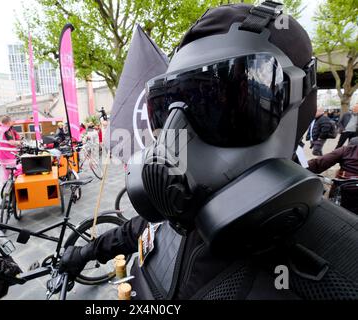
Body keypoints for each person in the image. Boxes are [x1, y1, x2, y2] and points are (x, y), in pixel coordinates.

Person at [59, 2, 358, 300]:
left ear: (296, 103)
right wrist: (86, 252)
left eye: (218, 104)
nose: (178, 136)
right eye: (166, 107)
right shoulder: (185, 210)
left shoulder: (343, 273)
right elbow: (143, 228)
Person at [308, 137, 358, 214]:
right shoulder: (349, 148)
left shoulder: (349, 149)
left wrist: (297, 165)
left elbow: (317, 164)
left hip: (344, 196)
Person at [0, 116, 21, 181]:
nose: (13, 122)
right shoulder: (6, 130)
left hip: (0, 155)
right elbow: (11, 142)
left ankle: (5, 188)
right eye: (12, 121)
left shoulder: (0, 129)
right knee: (13, 172)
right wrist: (19, 142)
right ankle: (13, 188)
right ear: (8, 122)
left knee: (6, 173)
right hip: (8, 155)